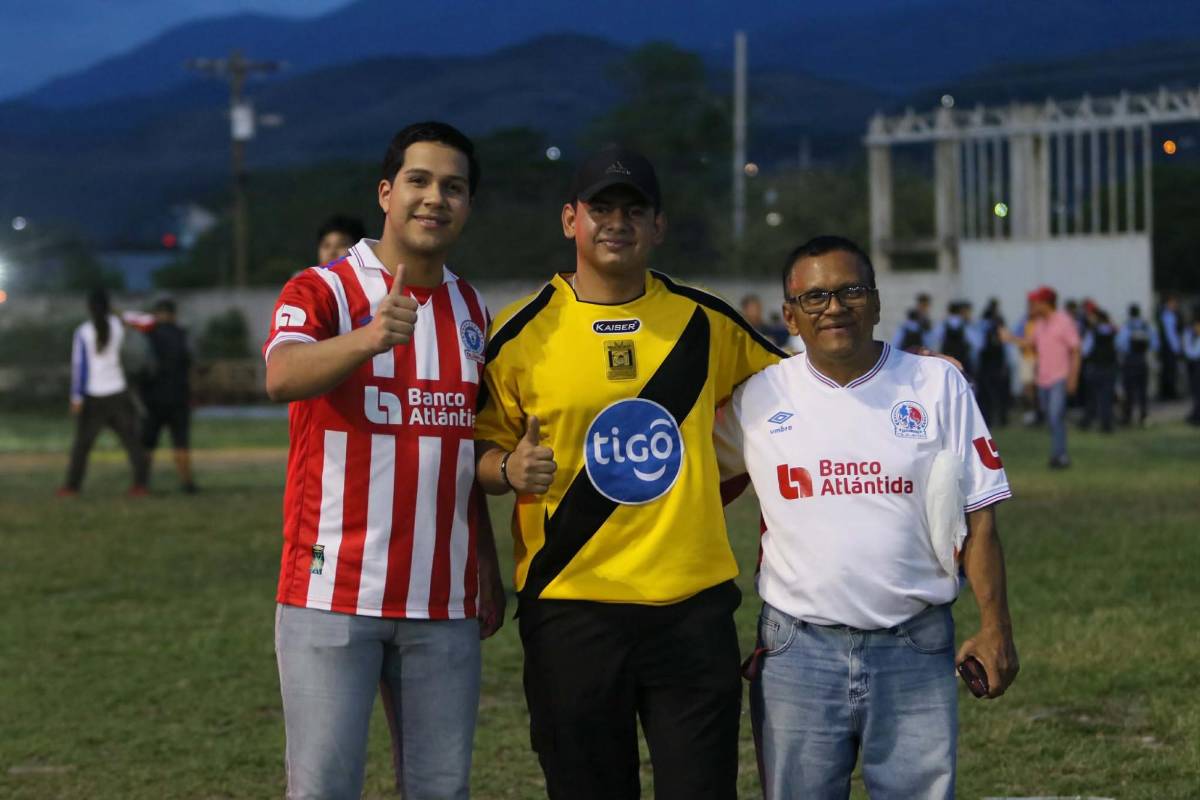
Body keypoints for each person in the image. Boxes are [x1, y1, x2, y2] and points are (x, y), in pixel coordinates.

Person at [473, 145, 788, 800]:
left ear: (657, 226)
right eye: (600, 208)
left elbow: (808, 384)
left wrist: (908, 368)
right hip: (570, 611)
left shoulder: (707, 321)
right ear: (570, 219)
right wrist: (507, 465)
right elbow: (471, 451)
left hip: (690, 609)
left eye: (634, 209)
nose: (616, 222)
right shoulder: (517, 332)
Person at [714, 236, 1017, 799]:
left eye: (851, 290)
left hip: (916, 645)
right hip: (797, 650)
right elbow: (685, 475)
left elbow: (980, 519)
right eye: (815, 296)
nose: (835, 306)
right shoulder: (758, 397)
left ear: (876, 303)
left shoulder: (937, 384)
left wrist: (996, 626)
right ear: (790, 316)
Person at [262, 121, 505, 800]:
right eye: (419, 181)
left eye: (453, 187)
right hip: (331, 591)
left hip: (443, 602)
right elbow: (281, 376)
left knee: (440, 792)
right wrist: (368, 339)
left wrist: (485, 562)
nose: (435, 199)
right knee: (323, 791)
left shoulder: (472, 308)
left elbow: (463, 447)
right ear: (386, 193)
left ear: (468, 205)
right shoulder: (323, 291)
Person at [59, 287, 150, 497]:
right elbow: (147, 322)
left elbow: (80, 366)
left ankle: (72, 487)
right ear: (108, 305)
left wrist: (76, 397)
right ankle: (141, 485)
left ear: (89, 307)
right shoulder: (117, 325)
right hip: (118, 393)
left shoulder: (84, 331)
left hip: (93, 396)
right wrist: (119, 313)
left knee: (82, 446)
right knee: (132, 442)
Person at [127, 298, 197, 492]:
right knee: (181, 443)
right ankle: (187, 483)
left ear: (157, 314)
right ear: (174, 315)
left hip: (154, 398)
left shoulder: (150, 335)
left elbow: (140, 364)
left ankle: (141, 483)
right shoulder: (183, 335)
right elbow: (190, 364)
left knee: (148, 443)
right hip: (179, 397)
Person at [1025, 286, 1081, 468]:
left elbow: (1076, 350)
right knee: (1051, 417)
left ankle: (1060, 456)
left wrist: (1073, 377)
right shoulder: (1040, 323)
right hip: (1043, 379)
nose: (1033, 305)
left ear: (1045, 303)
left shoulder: (1064, 321)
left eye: (1036, 302)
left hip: (1059, 377)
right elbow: (1030, 343)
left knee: (1056, 417)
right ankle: (1058, 453)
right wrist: (1009, 338)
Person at [1116, 303, 1157, 426]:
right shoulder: (1146, 326)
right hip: (1142, 360)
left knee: (1129, 390)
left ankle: (1127, 417)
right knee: (1143, 390)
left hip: (1129, 361)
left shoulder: (1127, 327)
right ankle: (1143, 416)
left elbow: (1120, 344)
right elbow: (1155, 344)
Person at [1080, 308, 1118, 433]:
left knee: (1091, 397)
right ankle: (1106, 423)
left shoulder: (1092, 332)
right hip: (1110, 367)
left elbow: (1084, 351)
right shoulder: (1113, 331)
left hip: (1094, 367)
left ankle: (1087, 421)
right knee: (1106, 397)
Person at [975, 298, 1012, 427]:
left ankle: (991, 419)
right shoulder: (996, 323)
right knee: (997, 393)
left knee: (988, 394)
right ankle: (999, 419)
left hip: (988, 362)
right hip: (994, 362)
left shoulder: (984, 323)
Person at [1157, 295, 1182, 401]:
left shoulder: (1164, 314)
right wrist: (1177, 348)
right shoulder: (1168, 315)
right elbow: (1171, 334)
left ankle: (1167, 392)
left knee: (1167, 371)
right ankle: (1170, 393)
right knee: (1170, 371)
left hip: (1166, 348)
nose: (1175, 305)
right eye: (1172, 303)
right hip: (1169, 348)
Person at [1184, 307, 1200, 425]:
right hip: (1194, 364)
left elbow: (1193, 352)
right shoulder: (1189, 332)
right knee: (1195, 390)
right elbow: (1190, 352)